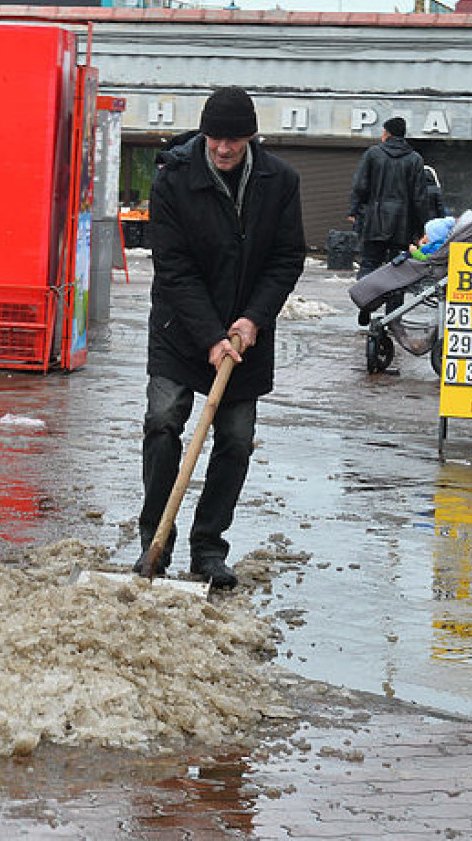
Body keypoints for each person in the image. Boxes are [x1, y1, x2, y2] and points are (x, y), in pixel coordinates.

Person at [135, 87, 305, 589]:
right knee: (163, 421)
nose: (224, 149)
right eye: (215, 139)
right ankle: (154, 544)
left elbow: (286, 258)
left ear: (250, 137)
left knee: (234, 438)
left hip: (245, 334)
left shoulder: (280, 181)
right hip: (180, 326)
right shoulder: (173, 177)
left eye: (233, 140)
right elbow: (173, 266)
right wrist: (210, 336)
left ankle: (208, 547)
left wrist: (253, 319)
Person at [349, 116, 427, 281]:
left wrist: (354, 210)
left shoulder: (373, 154)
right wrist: (421, 228)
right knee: (397, 268)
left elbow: (360, 185)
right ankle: (394, 307)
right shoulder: (415, 159)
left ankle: (365, 303)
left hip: (374, 221)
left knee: (369, 264)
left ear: (387, 133)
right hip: (402, 225)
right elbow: (420, 196)